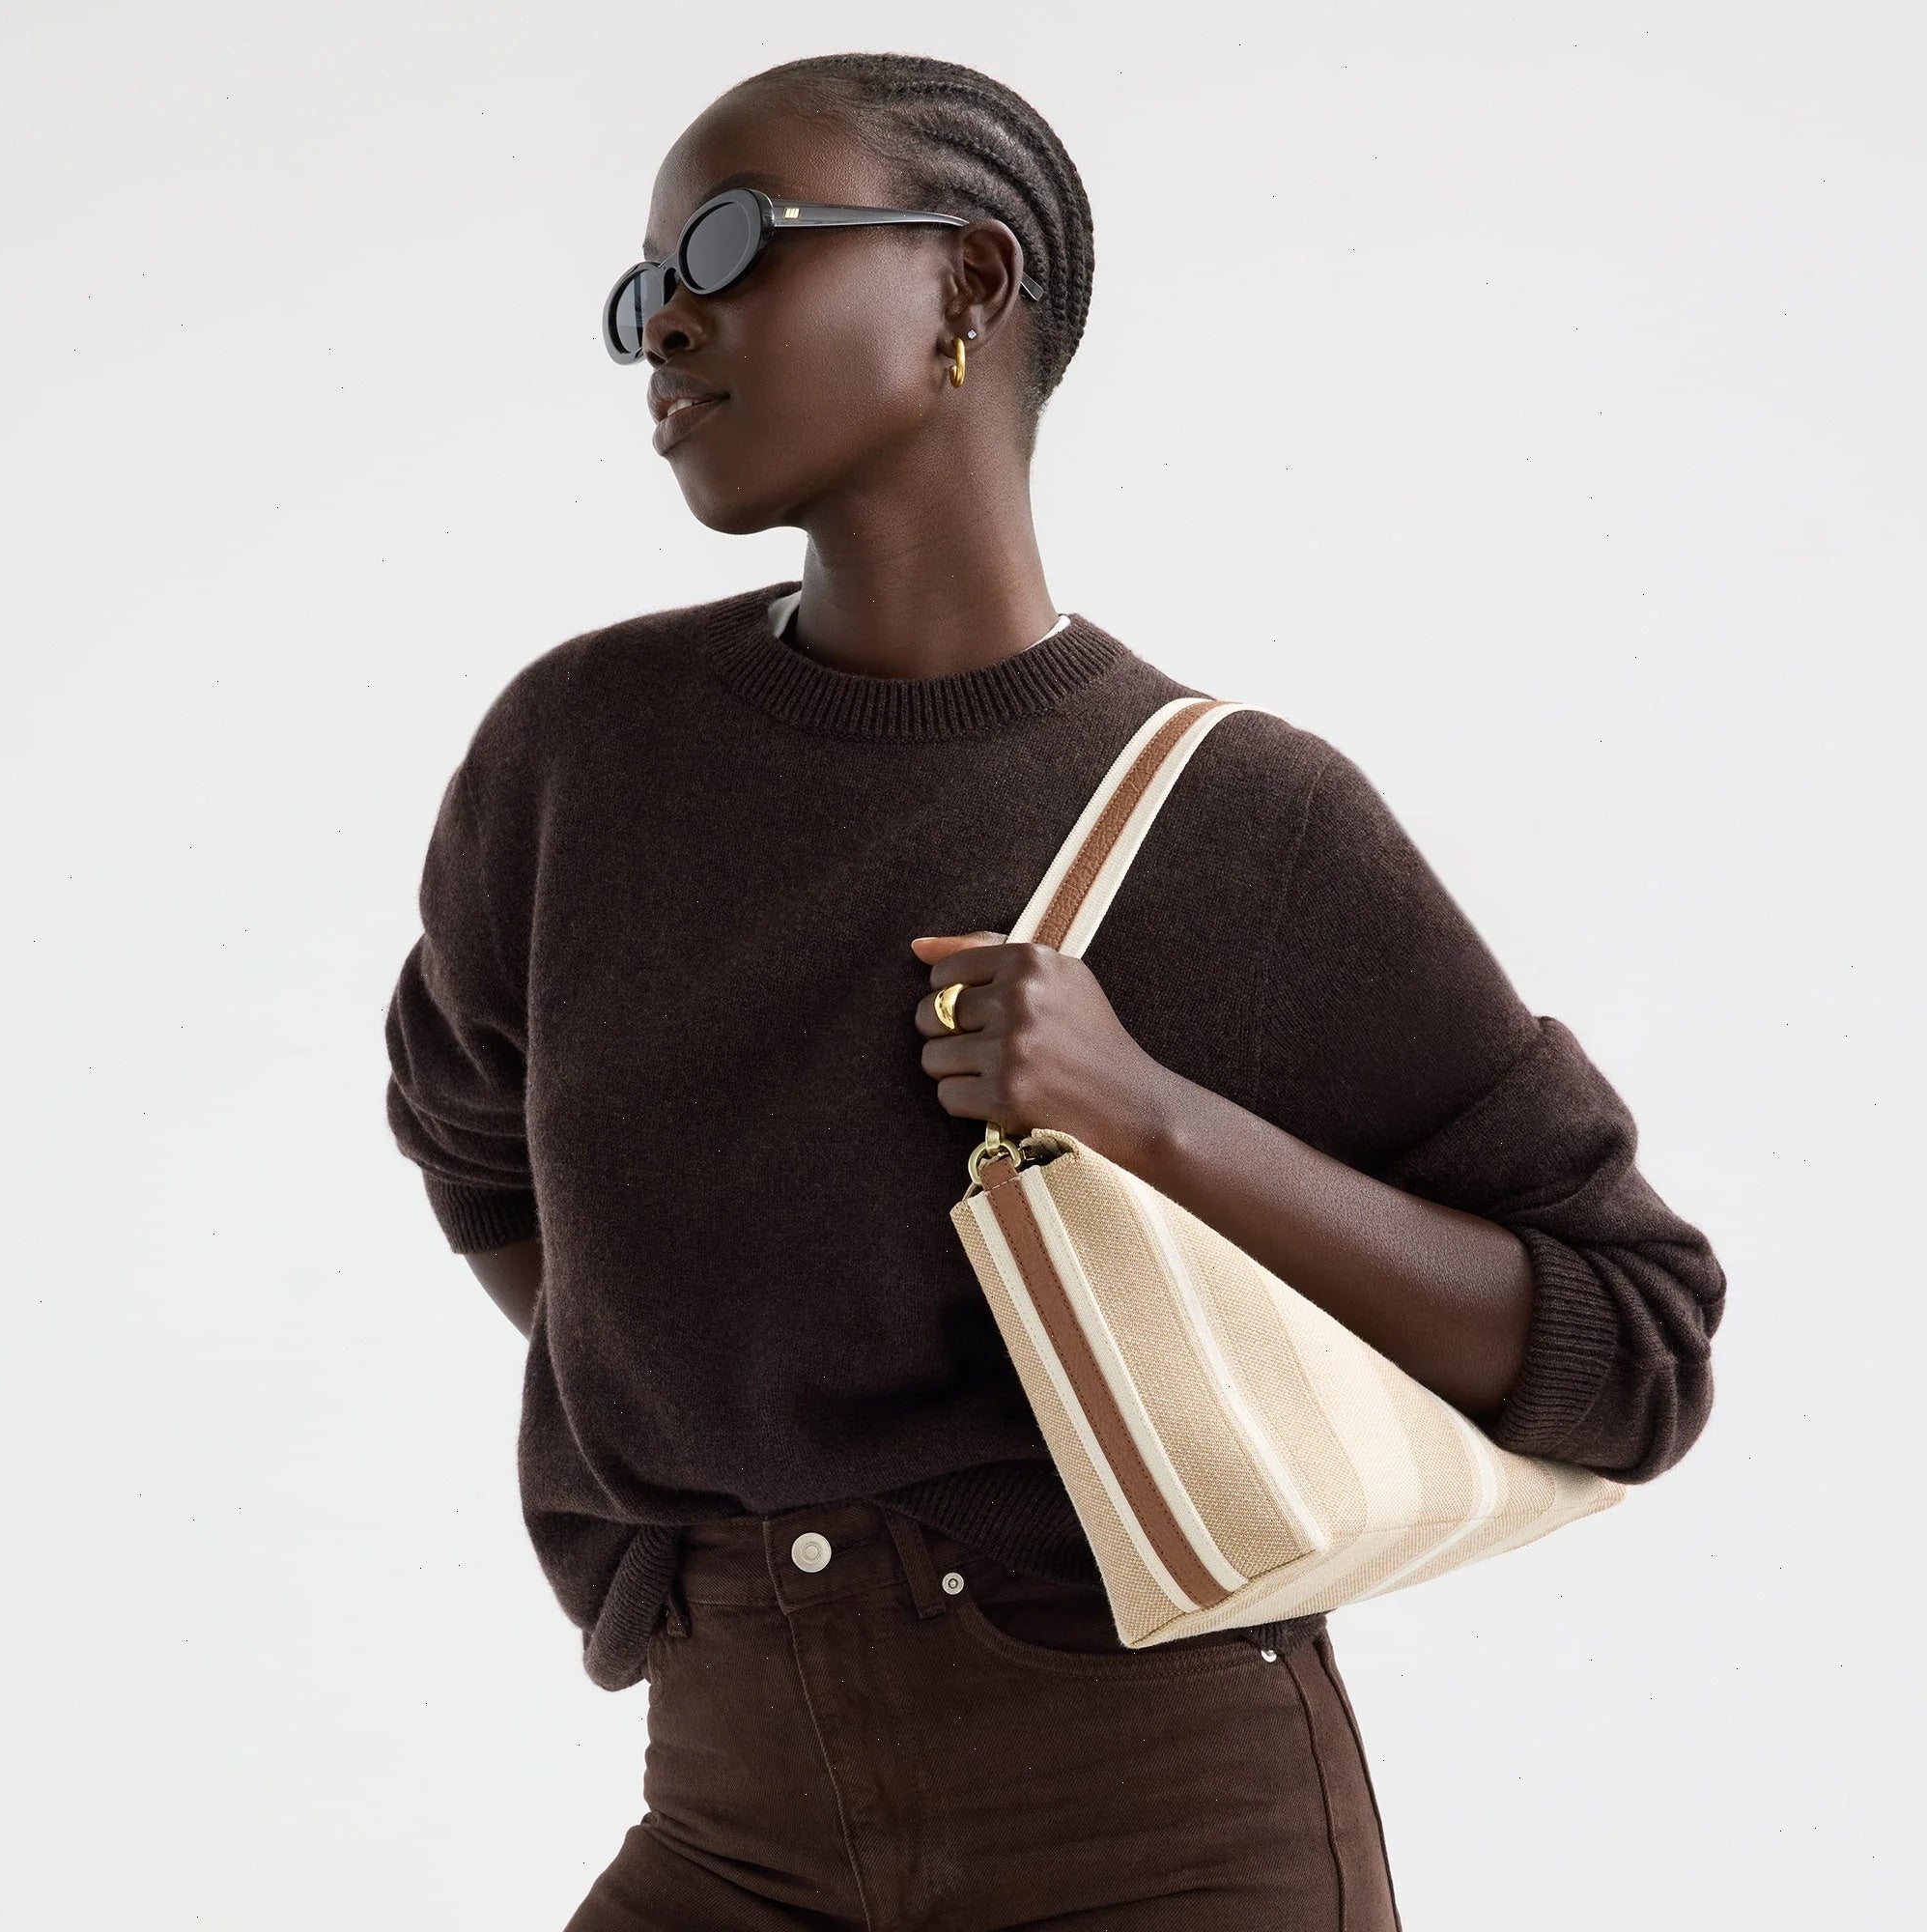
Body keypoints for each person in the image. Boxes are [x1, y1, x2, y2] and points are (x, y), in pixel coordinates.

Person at [383, 51, 1726, 1930]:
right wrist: (709, 1415)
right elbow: (468, 1140)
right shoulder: (582, 752)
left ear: (968, 280)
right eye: (642, 288)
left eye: (731, 244)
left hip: (1152, 1829)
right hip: (730, 1807)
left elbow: (1634, 1346)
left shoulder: (1246, 823)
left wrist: (1148, 1117)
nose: (666, 321)